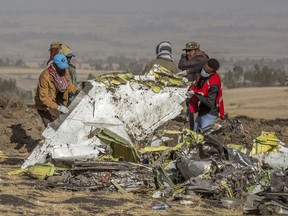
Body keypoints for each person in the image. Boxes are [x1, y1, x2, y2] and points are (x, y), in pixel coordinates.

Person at [35, 53, 77, 127]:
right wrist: (58, 107)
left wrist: (78, 91)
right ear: (55, 65)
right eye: (61, 67)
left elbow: (69, 86)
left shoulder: (63, 73)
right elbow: (44, 98)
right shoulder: (45, 77)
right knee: (51, 128)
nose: (63, 69)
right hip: (44, 106)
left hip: (54, 102)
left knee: (60, 125)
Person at [186, 58, 225, 132]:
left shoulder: (214, 84)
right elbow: (199, 69)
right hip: (202, 112)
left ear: (212, 72)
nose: (203, 71)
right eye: (204, 68)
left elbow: (209, 103)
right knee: (194, 135)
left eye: (206, 70)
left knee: (204, 137)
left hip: (209, 115)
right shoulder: (206, 72)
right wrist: (187, 72)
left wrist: (195, 94)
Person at [177, 41, 209, 129]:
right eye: (186, 51)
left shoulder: (202, 58)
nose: (187, 53)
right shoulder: (191, 59)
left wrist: (183, 57)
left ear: (197, 51)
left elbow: (182, 64)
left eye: (190, 51)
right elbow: (182, 65)